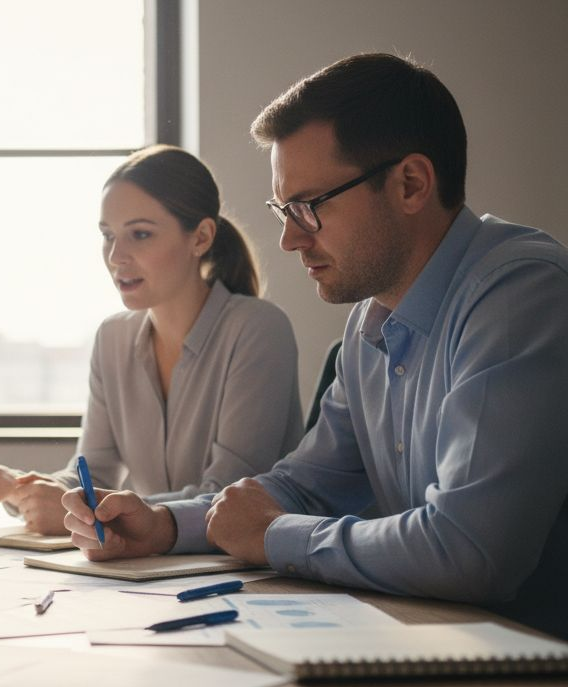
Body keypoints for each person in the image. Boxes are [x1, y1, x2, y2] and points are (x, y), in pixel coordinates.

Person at [62, 53, 568, 639]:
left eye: (308, 206)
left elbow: (469, 550)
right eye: (284, 210)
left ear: (410, 184)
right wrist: (163, 527)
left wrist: (276, 536)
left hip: (535, 671)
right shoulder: (367, 325)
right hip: (441, 639)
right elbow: (306, 486)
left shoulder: (518, 293)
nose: (288, 238)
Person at [0, 146, 303, 535]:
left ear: (201, 237)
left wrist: (90, 509)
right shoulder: (112, 337)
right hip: (148, 567)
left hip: (247, 571)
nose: (117, 256)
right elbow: (92, 473)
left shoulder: (258, 329)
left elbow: (227, 498)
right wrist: (10, 485)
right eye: (107, 236)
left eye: (140, 234)